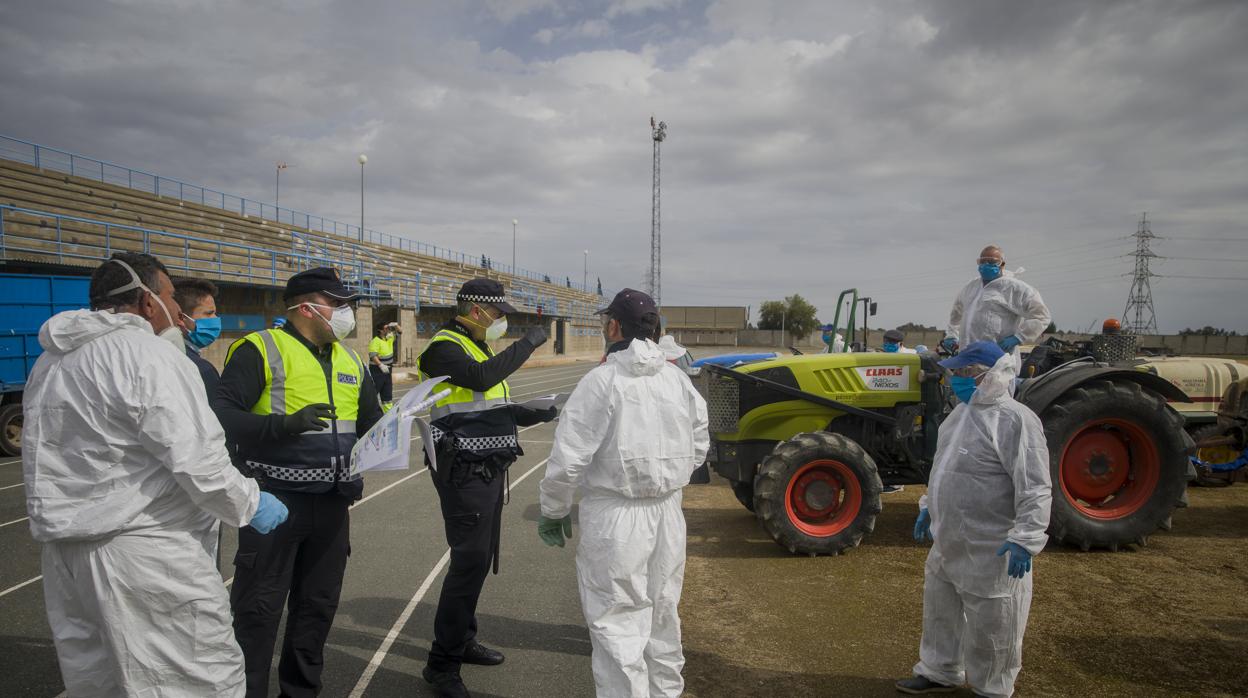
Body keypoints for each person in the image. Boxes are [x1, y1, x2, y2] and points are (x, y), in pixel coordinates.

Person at [23, 253, 287, 697]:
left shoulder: (51, 362)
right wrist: (250, 501)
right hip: (145, 552)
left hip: (67, 554)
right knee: (197, 679)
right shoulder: (149, 355)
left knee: (97, 679)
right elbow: (196, 458)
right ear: (148, 301)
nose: (178, 312)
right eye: (170, 297)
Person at [214, 266, 383, 698]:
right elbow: (219, 417)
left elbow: (370, 423)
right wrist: (283, 425)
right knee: (257, 611)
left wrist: (395, 429)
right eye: (339, 303)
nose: (347, 312)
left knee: (317, 608)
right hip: (274, 502)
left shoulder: (350, 359)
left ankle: (300, 692)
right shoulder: (259, 348)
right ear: (308, 307)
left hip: (332, 504)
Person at [538, 288, 710, 698]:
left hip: (616, 518)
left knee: (617, 623)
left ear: (613, 326)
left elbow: (569, 458)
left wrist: (554, 507)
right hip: (668, 511)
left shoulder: (602, 381)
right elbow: (700, 444)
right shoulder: (676, 379)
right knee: (663, 613)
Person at [418, 279, 555, 698]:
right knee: (469, 561)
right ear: (477, 310)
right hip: (462, 469)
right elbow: (479, 381)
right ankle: (442, 664)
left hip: (486, 467)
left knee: (479, 560)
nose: (503, 323)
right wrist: (530, 342)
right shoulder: (444, 347)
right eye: (500, 315)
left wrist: (531, 414)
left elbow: (486, 404)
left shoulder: (478, 347)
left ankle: (462, 639)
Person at [897, 341, 1052, 698]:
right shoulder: (959, 415)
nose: (957, 380)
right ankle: (940, 670)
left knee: (994, 620)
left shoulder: (1015, 420)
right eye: (956, 373)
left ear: (991, 374)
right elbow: (944, 469)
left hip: (992, 545)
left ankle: (992, 686)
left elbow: (1035, 485)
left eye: (966, 373)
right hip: (949, 539)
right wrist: (927, 506)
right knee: (940, 610)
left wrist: (1026, 537)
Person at [942, 246, 1051, 358]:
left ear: (1002, 264)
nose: (986, 265)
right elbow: (956, 313)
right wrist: (952, 335)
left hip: (997, 361)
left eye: (992, 262)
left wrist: (1019, 337)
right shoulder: (971, 287)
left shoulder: (1014, 288)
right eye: (982, 261)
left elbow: (1041, 316)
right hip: (966, 358)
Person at [175, 277, 225, 395]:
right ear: (181, 318)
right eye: (209, 313)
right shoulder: (202, 370)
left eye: (215, 313)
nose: (215, 318)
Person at [368, 320, 401, 411]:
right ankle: (369, 412)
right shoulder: (375, 341)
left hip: (388, 371)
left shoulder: (389, 338)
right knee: (373, 392)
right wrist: (381, 365)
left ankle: (388, 413)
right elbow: (373, 356)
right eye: (386, 328)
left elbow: (400, 332)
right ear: (381, 331)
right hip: (377, 371)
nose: (388, 329)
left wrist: (396, 325)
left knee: (387, 393)